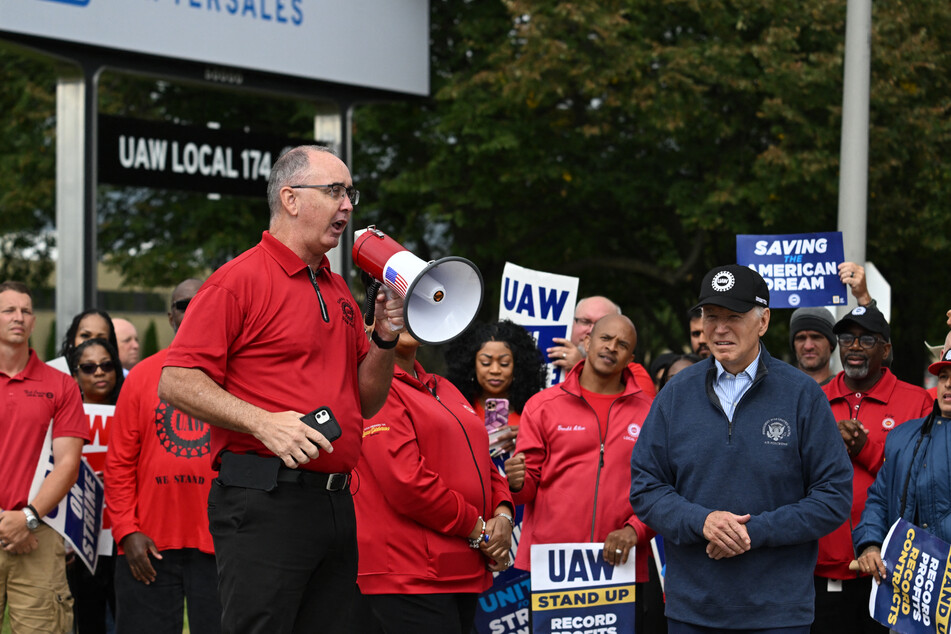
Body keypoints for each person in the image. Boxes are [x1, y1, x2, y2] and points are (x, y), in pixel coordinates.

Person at [158, 144, 404, 633]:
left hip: (333, 501)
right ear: (290, 199)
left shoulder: (338, 289)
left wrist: (383, 338)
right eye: (334, 191)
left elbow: (367, 399)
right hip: (263, 499)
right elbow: (175, 381)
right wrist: (262, 421)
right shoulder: (237, 281)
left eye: (350, 192)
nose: (349, 205)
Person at [630, 264, 852, 633]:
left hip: (778, 613)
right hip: (693, 611)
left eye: (733, 316)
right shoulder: (675, 394)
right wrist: (702, 522)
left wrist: (754, 531)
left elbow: (833, 497)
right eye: (710, 316)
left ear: (763, 321)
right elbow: (646, 487)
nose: (718, 328)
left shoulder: (802, 395)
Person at [505, 314, 662, 633]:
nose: (612, 348)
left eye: (622, 344)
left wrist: (635, 530)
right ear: (587, 342)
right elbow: (526, 490)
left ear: (631, 359)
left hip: (621, 562)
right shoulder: (542, 406)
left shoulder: (650, 412)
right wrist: (516, 482)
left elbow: (663, 489)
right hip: (556, 566)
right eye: (605, 339)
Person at [353, 330, 514, 633]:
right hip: (409, 573)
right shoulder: (374, 385)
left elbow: (485, 462)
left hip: (463, 567)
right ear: (371, 323)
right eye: (393, 304)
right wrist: (480, 530)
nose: (405, 316)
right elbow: (406, 482)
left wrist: (503, 515)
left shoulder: (445, 386)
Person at [105, 278, 221, 634]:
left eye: (201, 303)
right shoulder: (140, 377)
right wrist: (126, 532)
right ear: (171, 316)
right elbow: (119, 463)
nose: (192, 310)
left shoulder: (237, 375)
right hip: (148, 544)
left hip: (220, 543)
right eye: (183, 305)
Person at [812, 304, 933, 634]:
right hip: (823, 571)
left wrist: (866, 450)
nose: (854, 346)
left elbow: (922, 479)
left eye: (867, 340)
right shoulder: (813, 399)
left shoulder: (917, 401)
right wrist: (827, 446)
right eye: (847, 337)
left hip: (890, 571)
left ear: (886, 349)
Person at [0, 281, 89, 633]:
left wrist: (27, 518)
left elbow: (68, 464)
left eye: (25, 311)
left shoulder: (61, 385)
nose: (18, 317)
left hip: (38, 533)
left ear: (34, 322)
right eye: (8, 310)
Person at [852, 348, 951, 587]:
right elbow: (879, 499)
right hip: (906, 587)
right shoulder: (902, 436)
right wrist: (870, 544)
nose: (948, 384)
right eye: (944, 376)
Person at [66, 337, 123, 633]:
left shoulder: (132, 412)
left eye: (106, 365)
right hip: (79, 536)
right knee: (87, 621)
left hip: (121, 537)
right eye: (89, 367)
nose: (99, 372)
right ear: (76, 374)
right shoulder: (62, 416)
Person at [444, 320, 546, 455]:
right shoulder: (455, 411)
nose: (495, 370)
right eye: (486, 363)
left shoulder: (535, 416)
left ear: (518, 367)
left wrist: (529, 439)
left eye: (504, 363)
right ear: (471, 366)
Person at [546, 295, 656, 397]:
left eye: (603, 323)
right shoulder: (548, 358)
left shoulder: (635, 374)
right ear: (572, 323)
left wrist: (580, 368)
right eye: (585, 321)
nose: (591, 330)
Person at [47, 308, 120, 376]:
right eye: (85, 336)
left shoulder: (120, 380)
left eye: (100, 339)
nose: (92, 343)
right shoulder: (52, 372)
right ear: (72, 340)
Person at [789, 307, 837, 385]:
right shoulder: (779, 389)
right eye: (801, 338)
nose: (808, 346)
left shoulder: (846, 391)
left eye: (816, 337)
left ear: (831, 344)